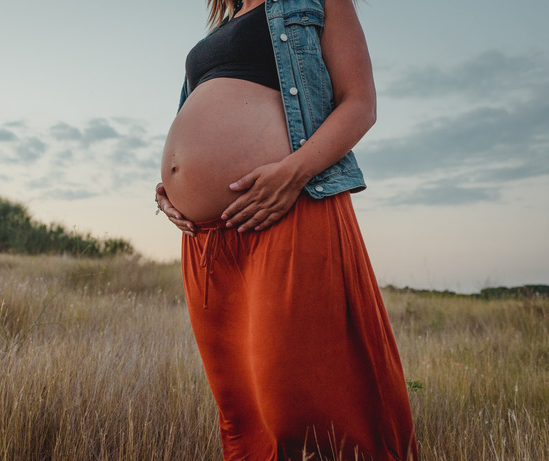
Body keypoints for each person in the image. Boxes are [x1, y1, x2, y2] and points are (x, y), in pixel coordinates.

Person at [156, 0, 418, 459]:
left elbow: (360, 104)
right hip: (206, 242)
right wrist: (169, 190)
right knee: (242, 414)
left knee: (300, 408)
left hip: (286, 212)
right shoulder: (222, 25)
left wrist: (293, 173)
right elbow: (190, 120)